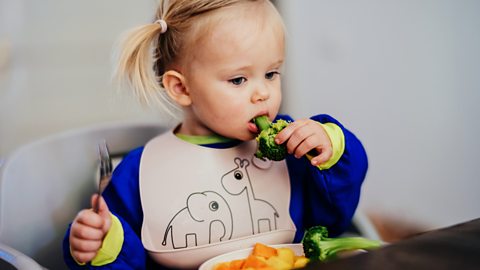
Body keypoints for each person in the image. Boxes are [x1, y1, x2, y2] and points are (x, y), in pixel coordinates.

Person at [63, 0, 368, 269]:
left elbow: (333, 219)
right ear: (181, 88)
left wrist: (333, 149)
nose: (263, 93)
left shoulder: (289, 146)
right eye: (238, 80)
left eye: (272, 73)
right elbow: (121, 258)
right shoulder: (140, 171)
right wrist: (100, 242)